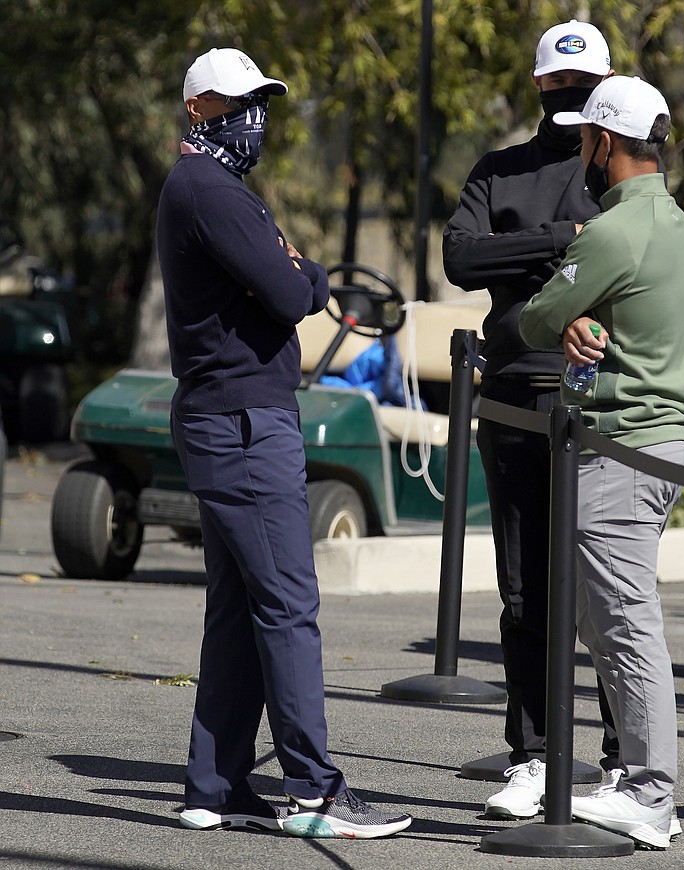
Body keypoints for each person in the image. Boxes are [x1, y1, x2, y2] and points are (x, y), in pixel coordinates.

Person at [157, 47, 412, 840]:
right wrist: (308, 275)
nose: (251, 116)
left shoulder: (210, 188)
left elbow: (287, 281)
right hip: (242, 424)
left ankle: (216, 783)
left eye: (259, 100)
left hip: (229, 417)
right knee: (288, 607)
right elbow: (292, 290)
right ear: (198, 107)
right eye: (236, 102)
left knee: (239, 608)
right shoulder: (211, 191)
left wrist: (298, 273)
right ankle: (314, 789)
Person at [442, 19, 619, 820]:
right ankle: (535, 756)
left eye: (584, 91)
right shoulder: (499, 168)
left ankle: (622, 761)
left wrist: (530, 253)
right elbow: (459, 258)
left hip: (595, 396)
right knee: (523, 593)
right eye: (559, 87)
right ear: (540, 85)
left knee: (603, 591)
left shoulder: (619, 171)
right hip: (513, 389)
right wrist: (560, 242)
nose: (570, 100)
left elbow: (626, 255)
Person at [519, 75, 684, 850]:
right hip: (647, 443)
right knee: (607, 620)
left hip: (621, 448)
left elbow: (536, 317)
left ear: (607, 144)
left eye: (585, 138)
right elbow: (585, 321)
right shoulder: (672, 221)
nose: (579, 152)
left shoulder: (614, 233)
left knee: (623, 624)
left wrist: (571, 297)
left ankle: (652, 796)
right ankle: (635, 784)